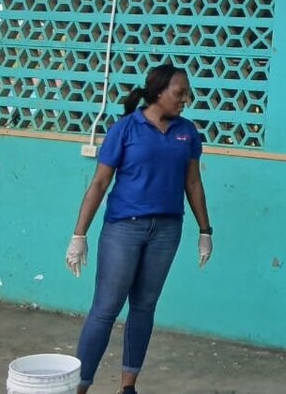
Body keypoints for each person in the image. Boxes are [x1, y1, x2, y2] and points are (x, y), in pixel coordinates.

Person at [65, 63, 213, 394]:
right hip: (124, 230)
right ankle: (78, 387)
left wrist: (206, 230)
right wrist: (79, 235)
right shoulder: (125, 128)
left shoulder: (187, 132)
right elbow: (100, 183)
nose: (185, 99)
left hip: (166, 230)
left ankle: (128, 386)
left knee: (144, 307)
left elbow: (193, 182)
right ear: (158, 92)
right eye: (179, 93)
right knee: (105, 309)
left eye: (187, 93)